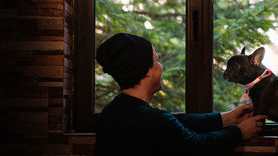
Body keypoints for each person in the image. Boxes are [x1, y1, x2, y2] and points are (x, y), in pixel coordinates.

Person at [94, 33, 267, 156]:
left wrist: (226, 118)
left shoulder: (114, 111)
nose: (161, 66)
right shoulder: (152, 120)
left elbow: (177, 122)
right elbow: (198, 147)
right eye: (156, 61)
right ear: (146, 71)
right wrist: (239, 132)